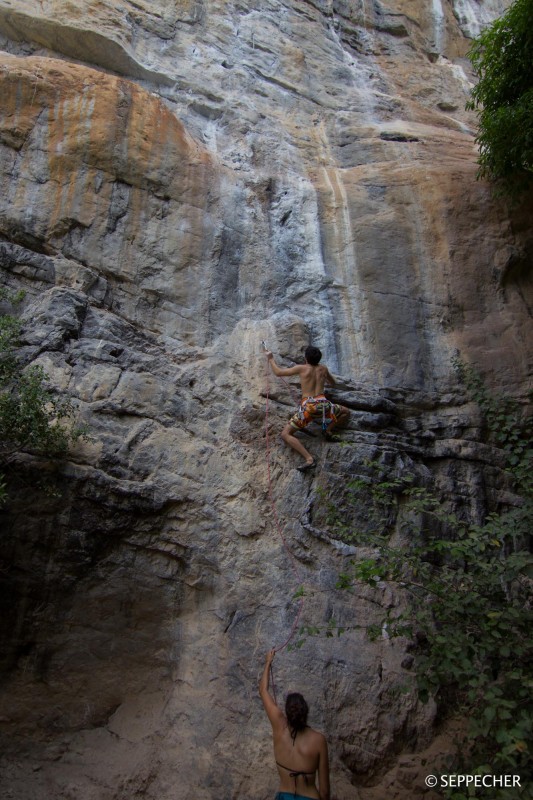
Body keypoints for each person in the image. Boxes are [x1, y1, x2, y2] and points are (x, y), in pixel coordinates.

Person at [259, 649, 330, 800]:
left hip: (284, 796)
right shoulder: (318, 741)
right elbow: (324, 791)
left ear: (287, 712)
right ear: (306, 712)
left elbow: (263, 691)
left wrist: (268, 662)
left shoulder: (279, 726)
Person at [265, 345, 349, 471]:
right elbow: (333, 383)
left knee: (285, 434)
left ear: (306, 358)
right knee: (346, 412)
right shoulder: (323, 369)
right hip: (324, 406)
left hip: (309, 408)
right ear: (319, 359)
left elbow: (278, 372)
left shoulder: (302, 368)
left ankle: (309, 459)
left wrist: (270, 358)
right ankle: (328, 430)